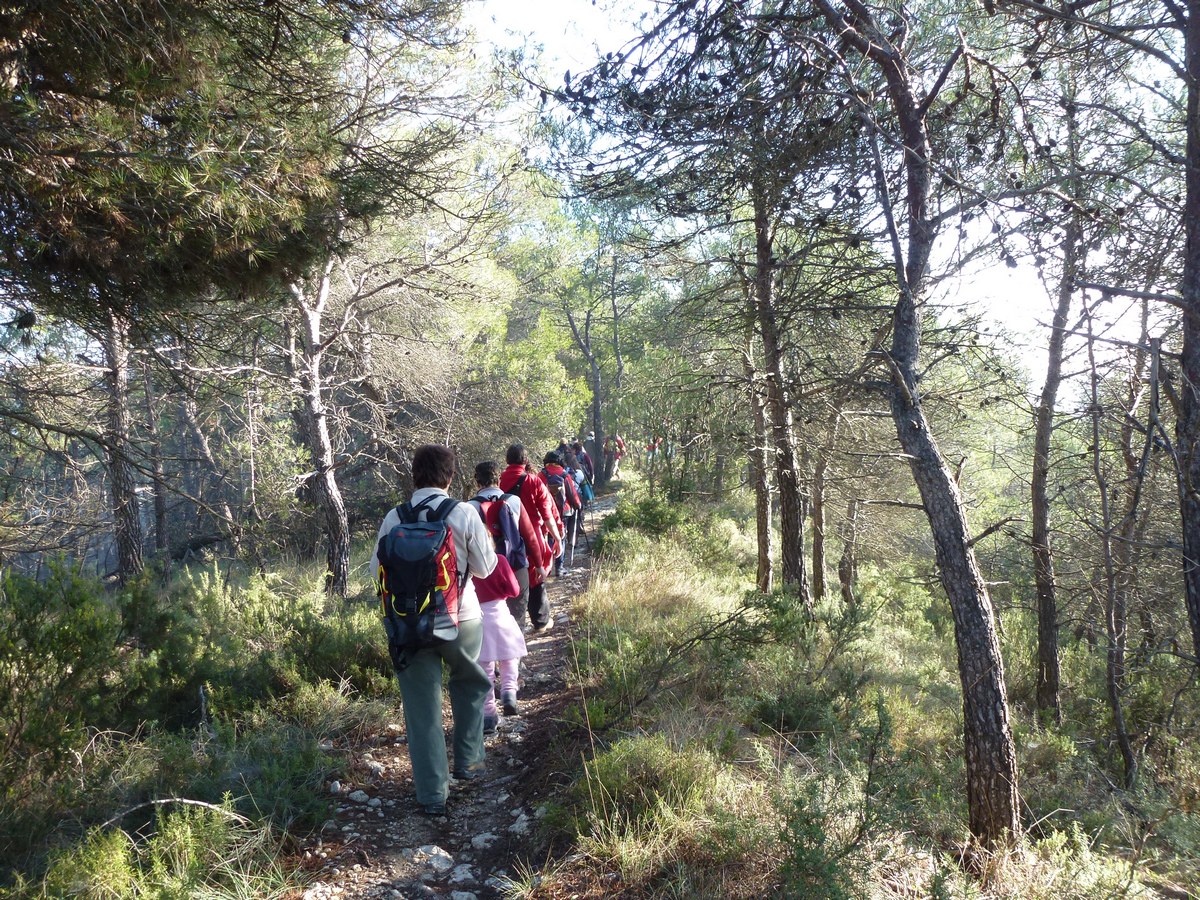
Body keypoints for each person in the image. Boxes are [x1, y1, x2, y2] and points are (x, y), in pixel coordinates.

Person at [370, 444, 496, 816]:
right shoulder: (463, 512)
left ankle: (431, 795)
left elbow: (376, 572)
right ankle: (469, 763)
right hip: (462, 618)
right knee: (470, 684)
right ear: (451, 476)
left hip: (409, 624)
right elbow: (485, 568)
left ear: (414, 475)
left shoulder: (394, 517)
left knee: (421, 707)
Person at [469, 461, 538, 729]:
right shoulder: (513, 501)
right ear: (498, 478)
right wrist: (539, 562)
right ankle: (510, 691)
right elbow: (529, 535)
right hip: (514, 569)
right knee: (510, 649)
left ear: (477, 481)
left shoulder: (469, 508)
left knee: (485, 664)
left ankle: (488, 712)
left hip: (478, 608)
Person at [499, 443, 562, 632]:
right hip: (532, 535)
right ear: (526, 460)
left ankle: (512, 624)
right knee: (536, 576)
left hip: (505, 537)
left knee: (511, 576)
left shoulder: (499, 480)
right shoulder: (534, 481)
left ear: (507, 460)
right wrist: (557, 538)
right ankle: (540, 620)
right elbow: (547, 515)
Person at [541, 450, 581, 577]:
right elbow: (572, 493)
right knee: (561, 536)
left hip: (546, 511)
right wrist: (578, 504)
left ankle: (547, 566)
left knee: (548, 538)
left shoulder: (541, 474)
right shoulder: (564, 474)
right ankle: (559, 567)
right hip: (564, 510)